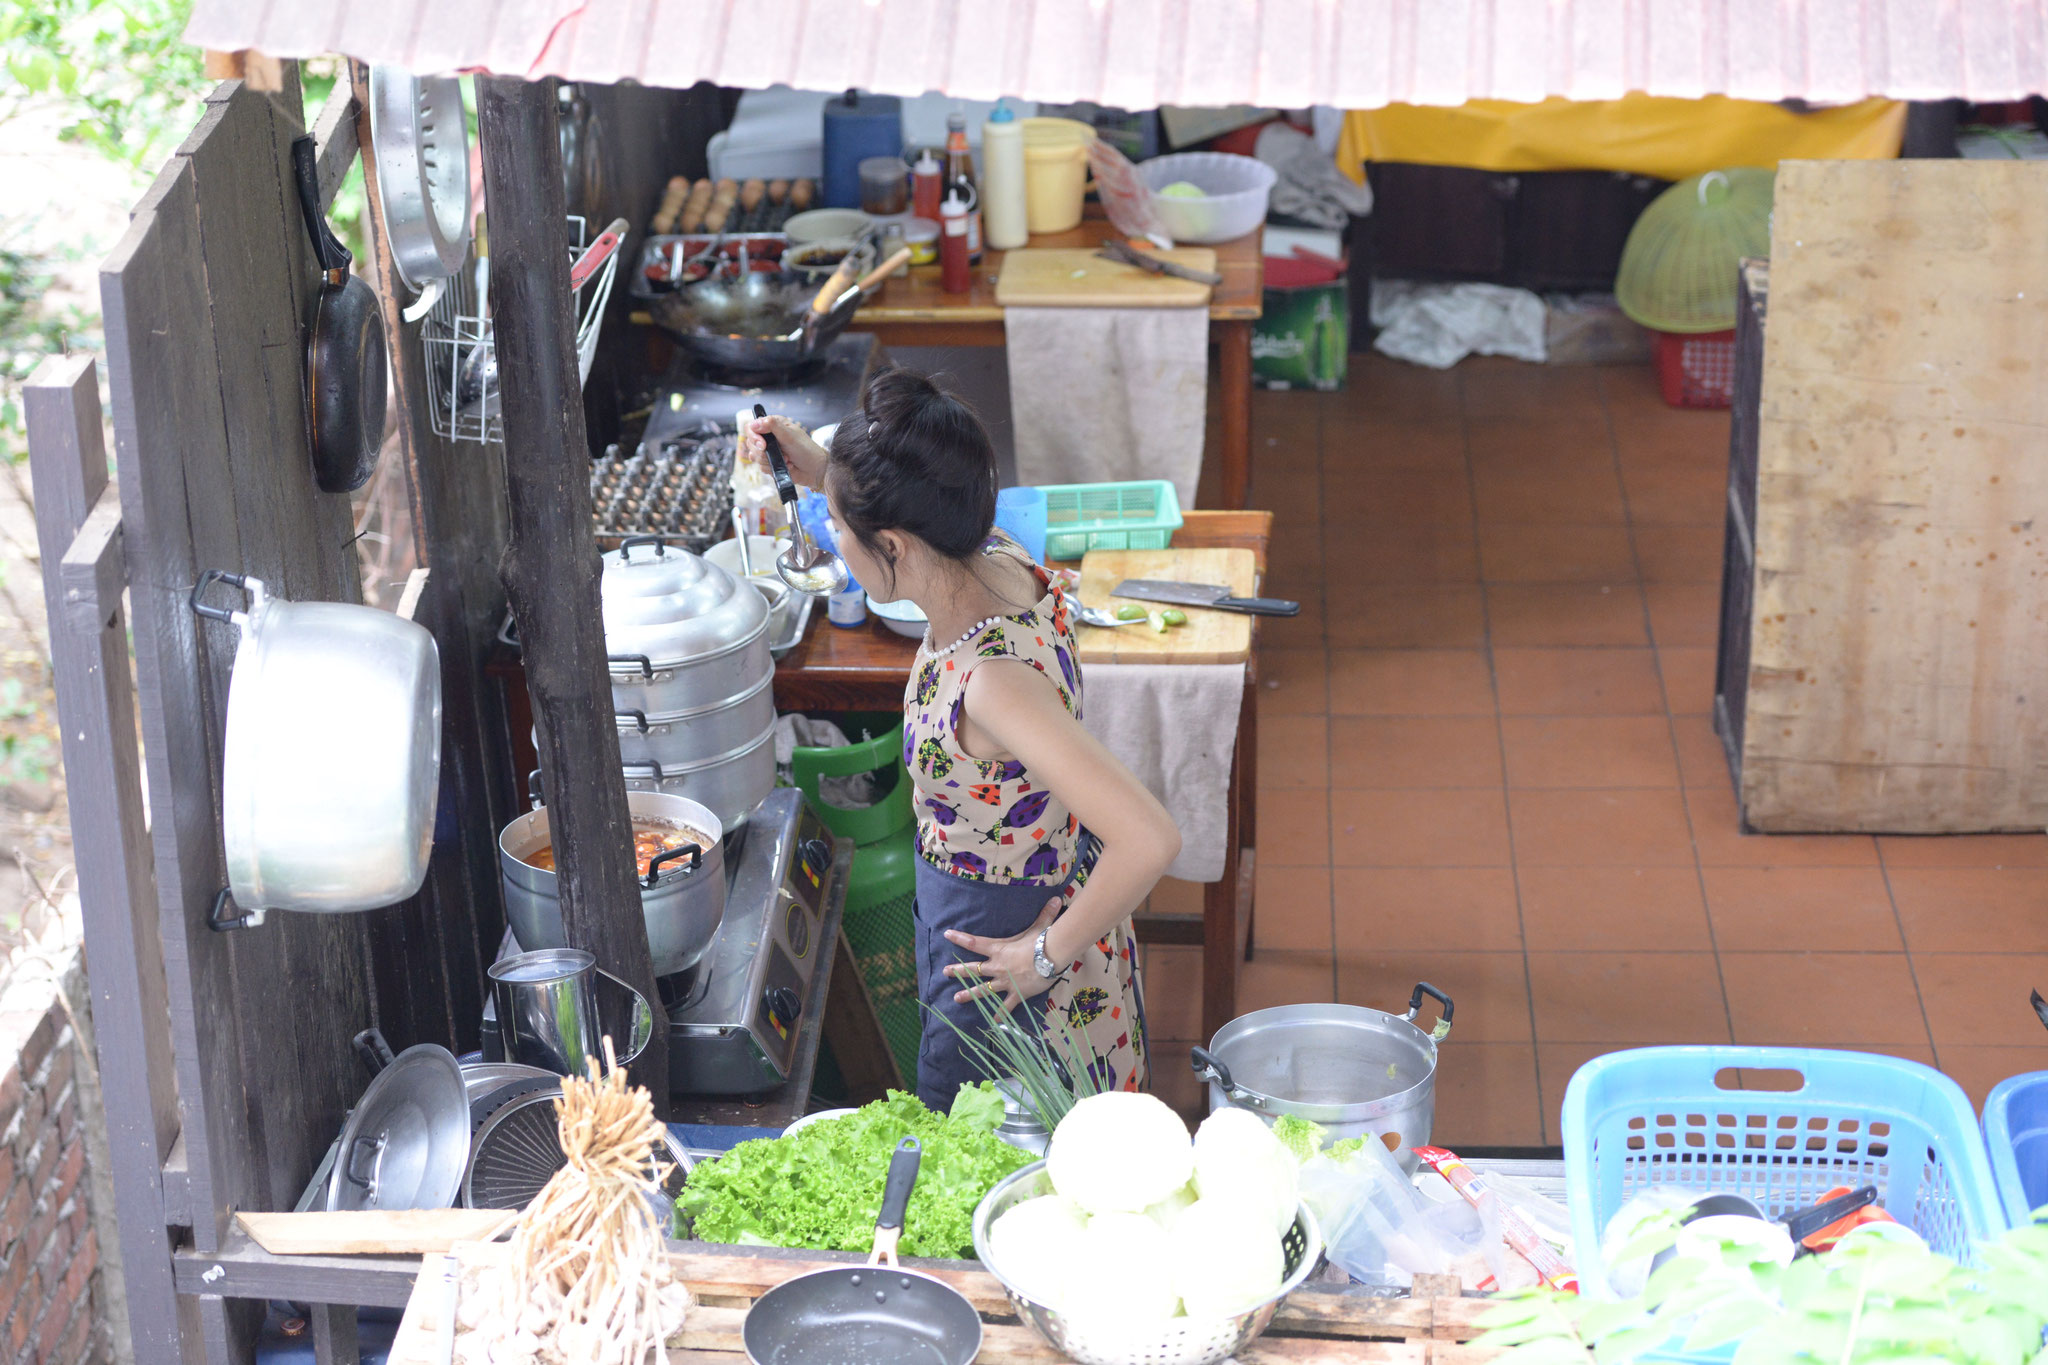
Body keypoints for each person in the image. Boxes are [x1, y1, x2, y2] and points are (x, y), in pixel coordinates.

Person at [744, 367, 1181, 1110]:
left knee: (1008, 1167)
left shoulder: (993, 682)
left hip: (1012, 960)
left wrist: (1041, 957)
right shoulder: (995, 554)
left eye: (841, 531)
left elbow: (1150, 837)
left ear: (895, 543)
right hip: (1016, 900)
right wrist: (826, 474)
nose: (834, 543)